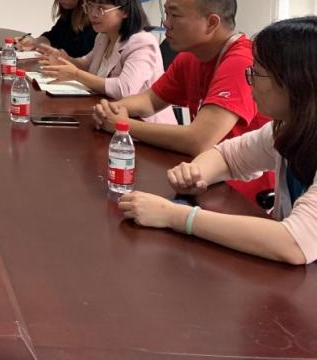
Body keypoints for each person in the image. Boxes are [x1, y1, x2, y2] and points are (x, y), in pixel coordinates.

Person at [118, 16, 317, 265]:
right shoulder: (284, 129)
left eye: (257, 74)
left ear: (295, 83)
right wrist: (196, 173)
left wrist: (176, 217)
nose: (250, 83)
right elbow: (227, 156)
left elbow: (294, 243)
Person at [93, 0, 273, 198]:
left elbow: (199, 140)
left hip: (239, 190)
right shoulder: (192, 56)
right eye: (166, 14)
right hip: (199, 175)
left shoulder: (241, 61)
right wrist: (115, 108)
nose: (166, 24)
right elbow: (150, 100)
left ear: (211, 23)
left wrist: (123, 125)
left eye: (175, 16)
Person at [40, 0, 174, 123]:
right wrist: (64, 59)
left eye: (101, 9)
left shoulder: (142, 43)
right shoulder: (103, 36)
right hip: (109, 116)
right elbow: (87, 63)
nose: (93, 14)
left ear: (125, 11)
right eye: (90, 6)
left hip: (144, 125)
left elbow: (124, 89)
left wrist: (76, 74)